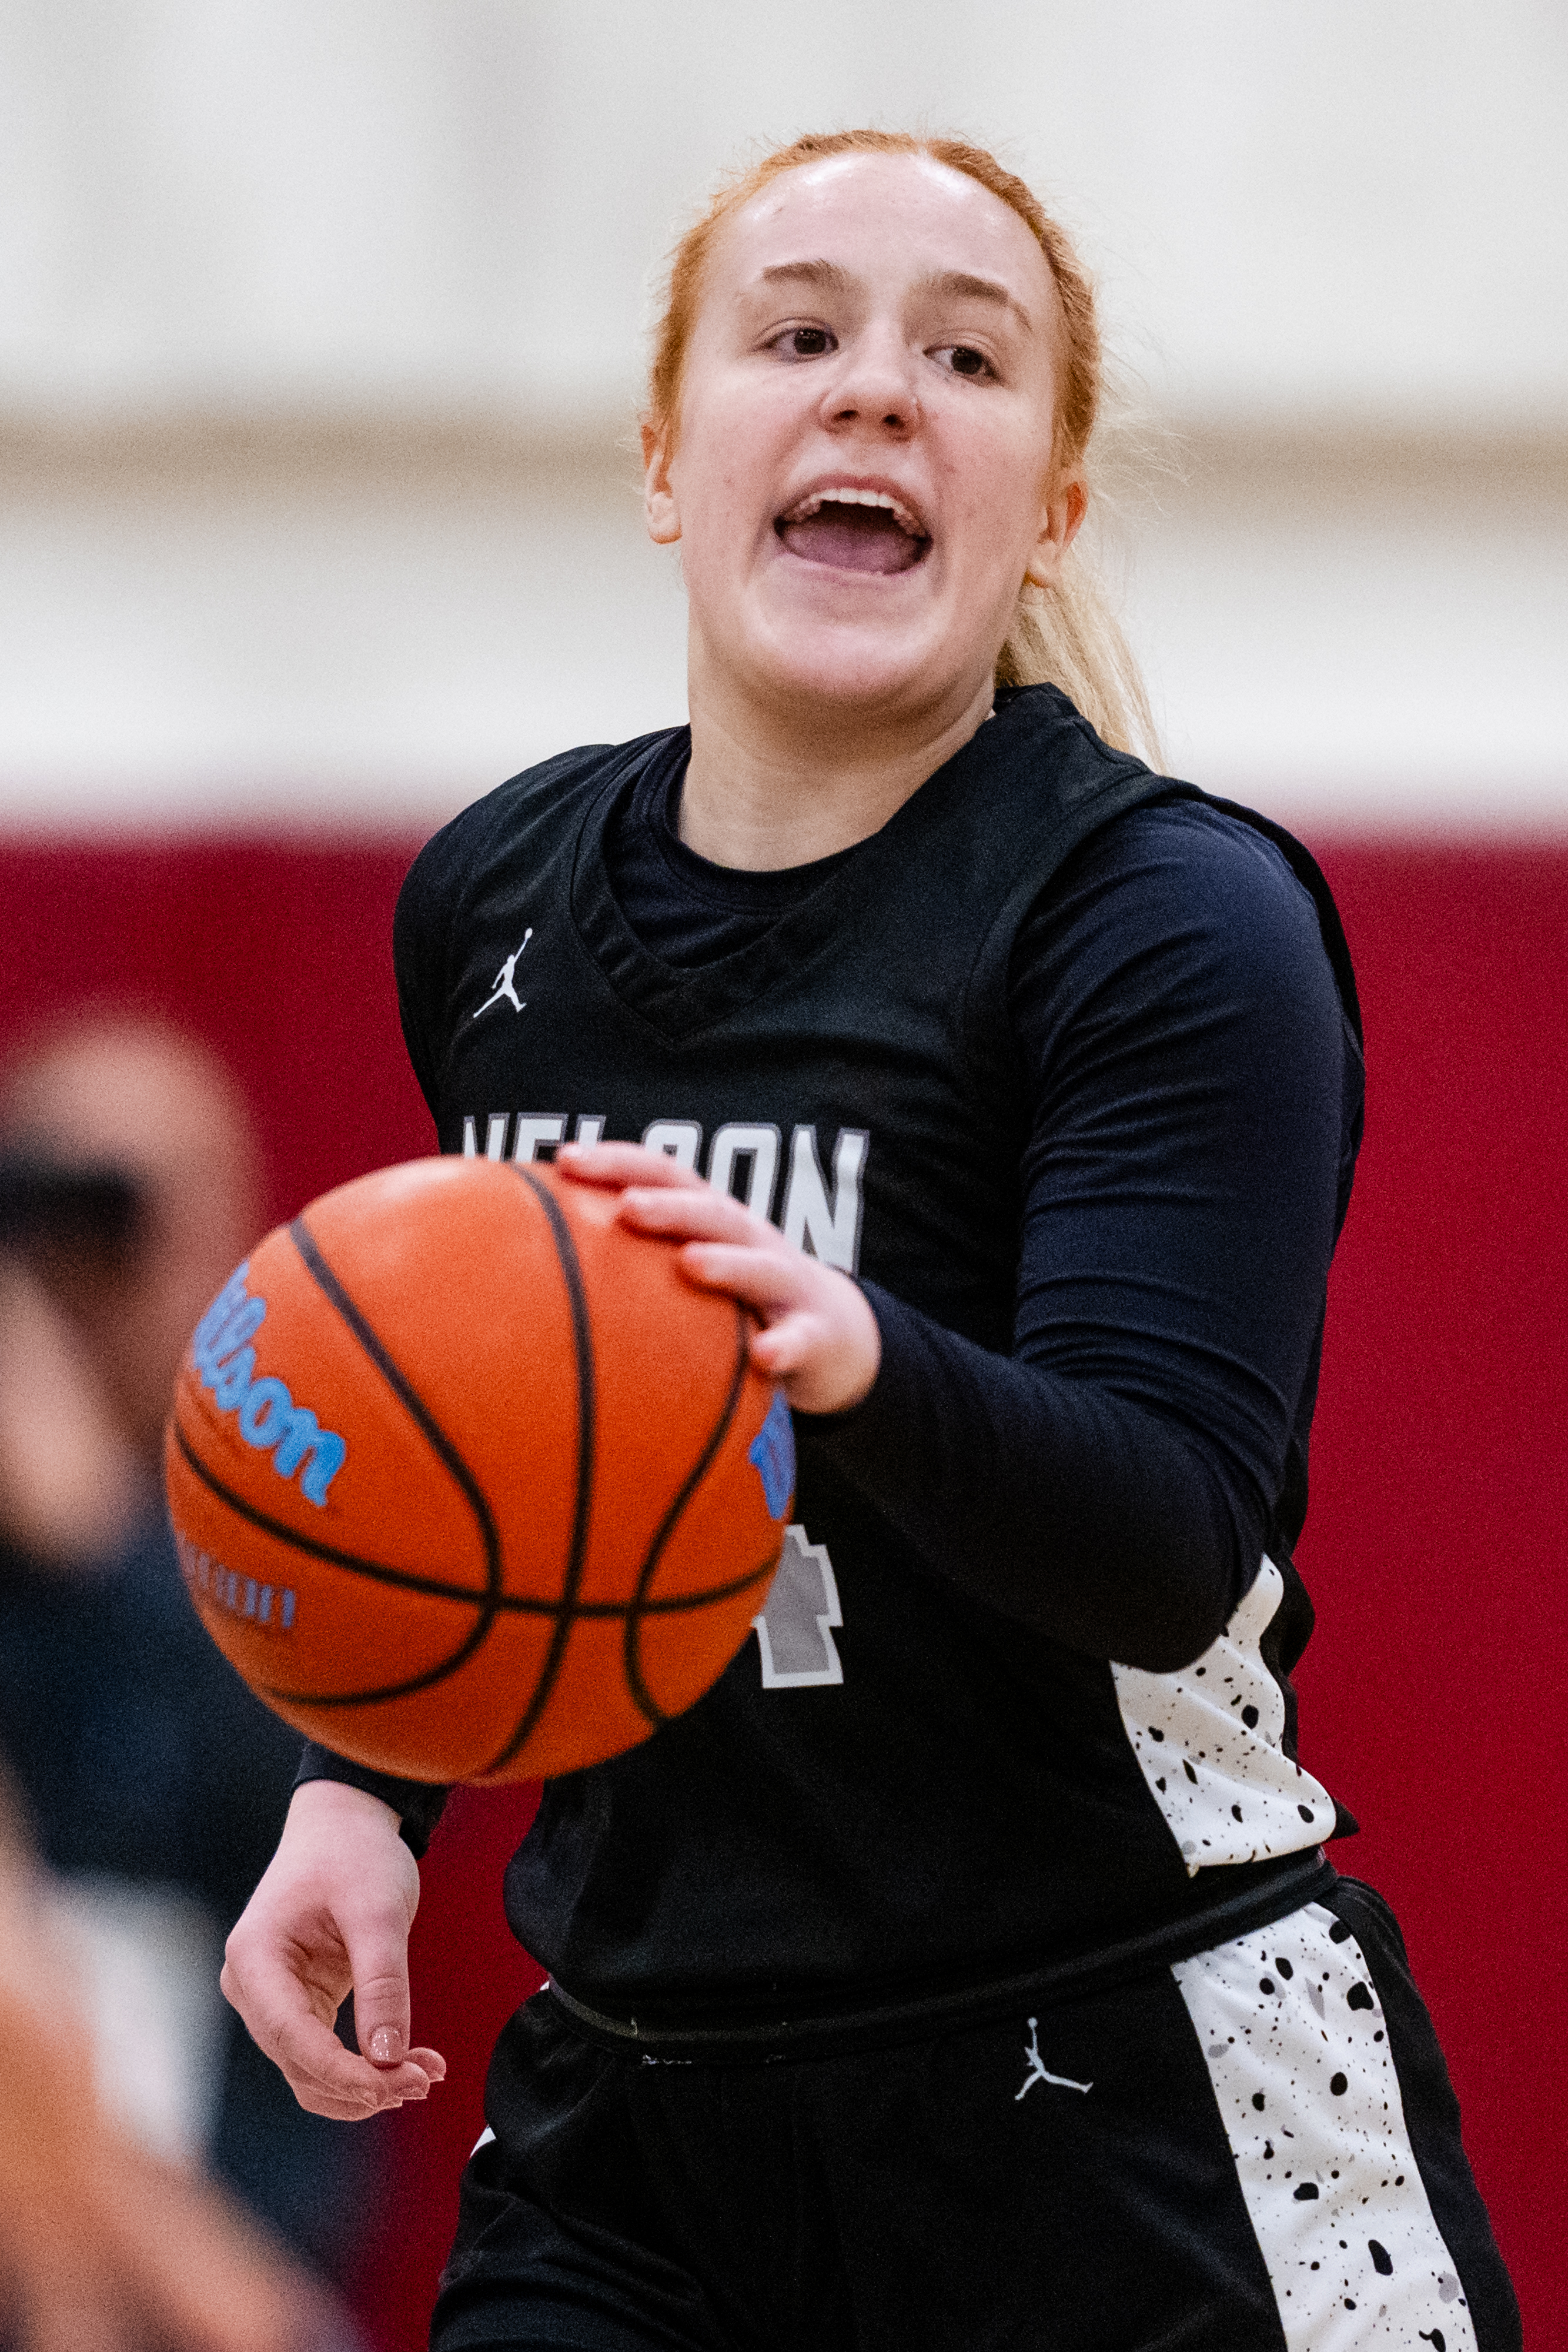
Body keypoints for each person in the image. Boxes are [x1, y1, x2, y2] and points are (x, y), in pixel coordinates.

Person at [221, 131, 1520, 2350]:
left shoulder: (1161, 920)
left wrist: (855, 1355)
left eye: (963, 357)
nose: (874, 391)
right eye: (798, 331)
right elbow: (497, 1435)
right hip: (640, 2108)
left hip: (1118, 2082)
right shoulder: (496, 899)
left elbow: (1167, 1538)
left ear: (1050, 504)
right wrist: (362, 1789)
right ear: (665, 458)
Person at [0, 1016, 385, 2296]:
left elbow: (262, 1795)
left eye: (132, 1211)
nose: (94, 1261)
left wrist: (105, 1548)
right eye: (62, 1199)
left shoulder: (310, 1531)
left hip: (238, 2228)